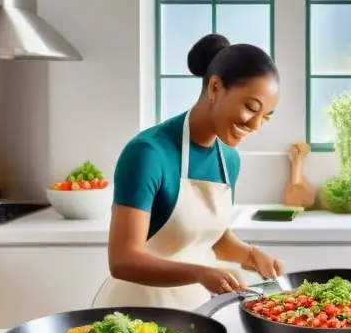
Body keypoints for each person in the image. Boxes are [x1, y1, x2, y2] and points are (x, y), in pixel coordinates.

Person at [95, 34, 285, 310]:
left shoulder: (229, 159)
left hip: (198, 309)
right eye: (251, 108)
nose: (256, 125)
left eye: (265, 116)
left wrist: (250, 254)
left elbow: (209, 236)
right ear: (216, 88)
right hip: (138, 317)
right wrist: (199, 272)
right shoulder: (148, 154)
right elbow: (123, 261)